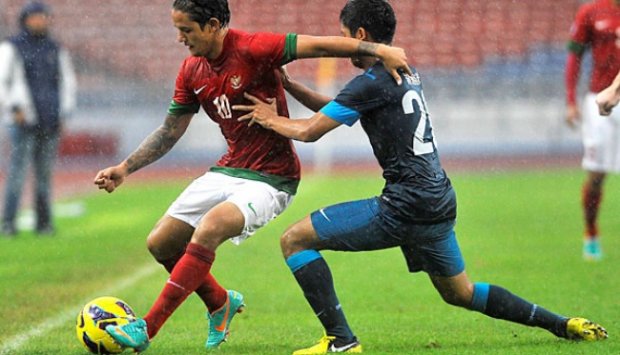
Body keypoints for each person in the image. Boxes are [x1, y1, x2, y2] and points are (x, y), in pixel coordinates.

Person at [235, 0, 609, 353]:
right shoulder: (401, 75)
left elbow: (310, 131)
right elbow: (340, 108)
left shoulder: (371, 82)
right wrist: (290, 87)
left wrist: (270, 119)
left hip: (404, 205)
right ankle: (563, 324)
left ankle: (341, 340)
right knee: (460, 293)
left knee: (294, 240)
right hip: (438, 200)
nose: (343, 44)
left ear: (361, 35)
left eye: (345, 34)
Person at [94, 0, 411, 352]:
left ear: (213, 25)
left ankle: (146, 329)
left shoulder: (254, 47)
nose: (180, 39)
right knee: (161, 243)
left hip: (273, 177)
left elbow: (320, 44)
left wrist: (380, 50)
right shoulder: (190, 70)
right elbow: (170, 131)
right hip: (229, 167)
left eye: (186, 30)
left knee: (210, 228)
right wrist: (124, 168)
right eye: (177, 30)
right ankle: (219, 302)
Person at [0, 1, 77, 237]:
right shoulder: (12, 47)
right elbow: (3, 81)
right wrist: (14, 108)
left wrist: (64, 112)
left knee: (44, 174)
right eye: (35, 17)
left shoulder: (55, 48)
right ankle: (8, 222)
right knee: (18, 172)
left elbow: (67, 83)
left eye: (43, 17)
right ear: (25, 19)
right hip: (23, 119)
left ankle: (43, 223)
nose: (40, 21)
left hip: (50, 118)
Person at [565, 0, 620, 261]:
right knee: (596, 174)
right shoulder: (592, 11)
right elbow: (574, 55)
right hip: (600, 98)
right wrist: (571, 100)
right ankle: (591, 232)